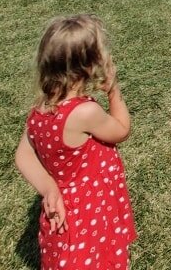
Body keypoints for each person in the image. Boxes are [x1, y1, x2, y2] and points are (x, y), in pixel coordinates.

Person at [14, 14, 136, 270]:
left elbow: (23, 155)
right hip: (91, 210)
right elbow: (121, 130)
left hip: (67, 207)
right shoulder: (83, 113)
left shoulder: (40, 109)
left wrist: (49, 188)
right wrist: (114, 89)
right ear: (89, 66)